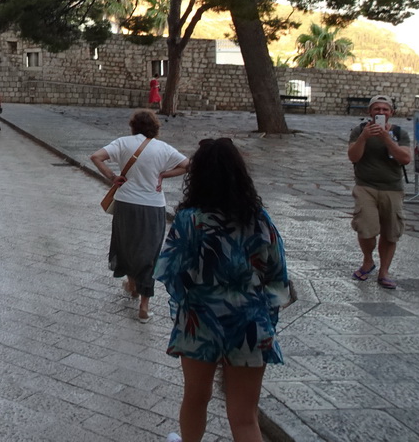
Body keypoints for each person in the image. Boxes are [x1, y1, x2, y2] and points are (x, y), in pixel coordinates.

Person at [155, 137, 291, 442]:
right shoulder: (260, 221)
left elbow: (169, 272)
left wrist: (191, 300)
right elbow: (279, 278)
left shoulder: (189, 221)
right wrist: (262, 314)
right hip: (250, 323)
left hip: (200, 321)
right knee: (244, 417)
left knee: (195, 398)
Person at [89, 109, 189, 322]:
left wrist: (112, 176)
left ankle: (132, 284)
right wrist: (164, 174)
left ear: (133, 126)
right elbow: (187, 165)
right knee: (149, 251)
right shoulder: (163, 148)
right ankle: (144, 305)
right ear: (155, 127)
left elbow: (96, 157)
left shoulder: (123, 143)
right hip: (152, 206)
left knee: (126, 245)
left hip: (125, 203)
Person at [347, 94, 412, 290]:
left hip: (392, 188)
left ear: (391, 113)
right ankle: (368, 260)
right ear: (370, 112)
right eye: (377, 109)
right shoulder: (359, 131)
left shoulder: (400, 133)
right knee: (366, 228)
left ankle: (384, 271)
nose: (381, 113)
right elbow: (353, 157)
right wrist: (365, 137)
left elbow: (405, 159)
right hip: (365, 186)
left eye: (385, 110)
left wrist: (386, 138)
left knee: (391, 232)